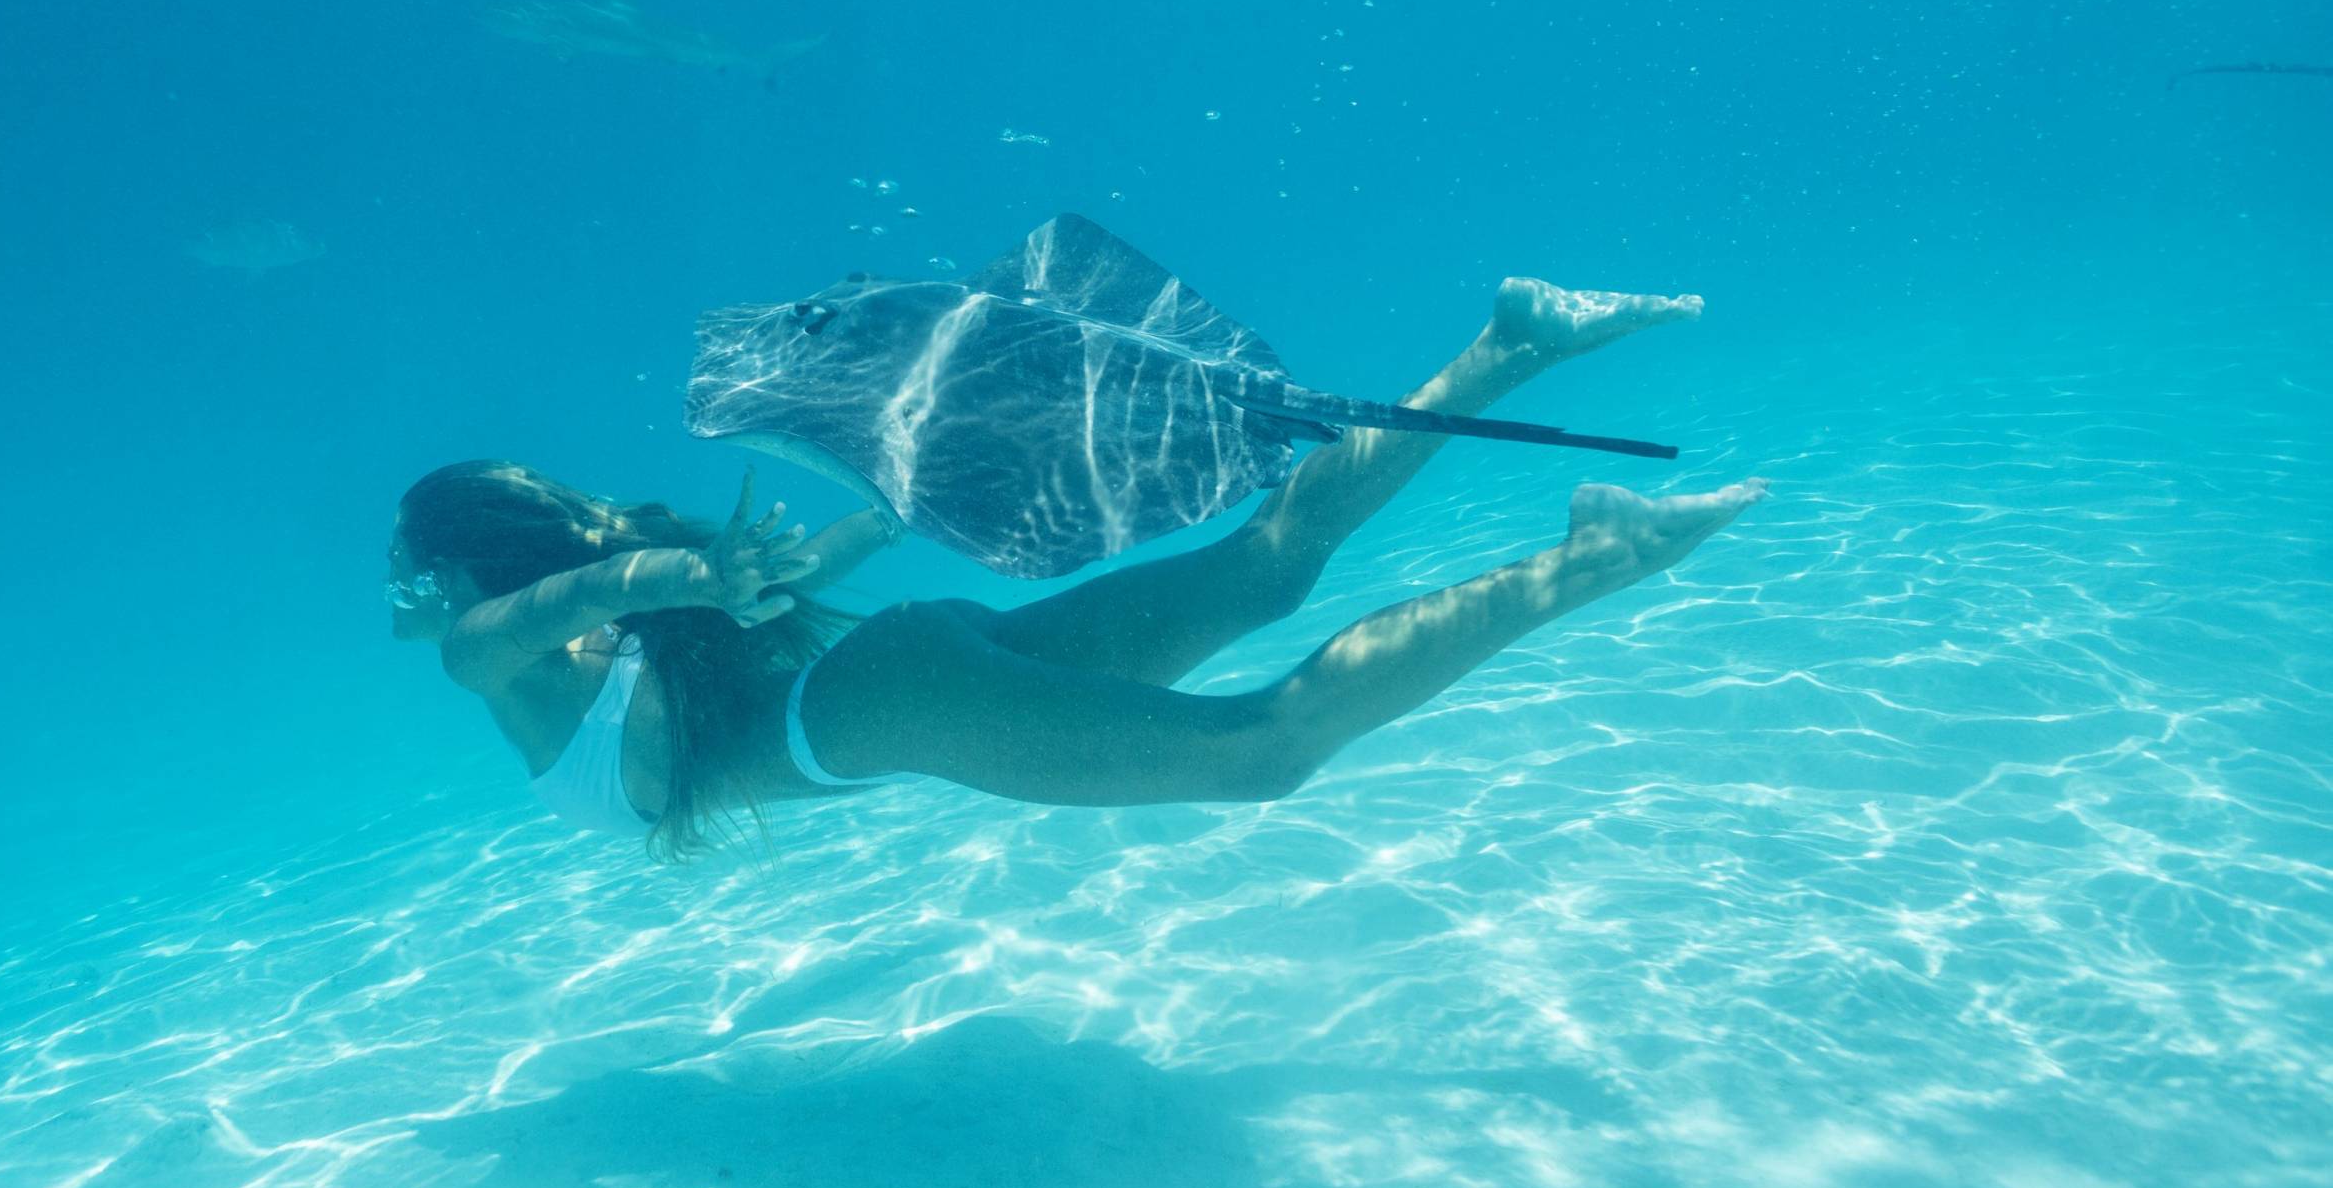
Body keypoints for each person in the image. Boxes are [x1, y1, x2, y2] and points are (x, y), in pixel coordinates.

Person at [387, 279, 1764, 860]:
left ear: (458, 568)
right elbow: (780, 562)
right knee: (1261, 570)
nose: (403, 598)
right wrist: (723, 568)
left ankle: (1589, 561)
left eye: (409, 570)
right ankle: (1511, 343)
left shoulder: (488, 656)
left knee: (1259, 750)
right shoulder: (609, 640)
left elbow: (578, 595)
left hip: (877, 708)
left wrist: (677, 577)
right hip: (899, 667)